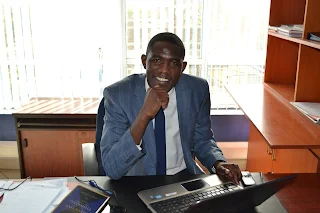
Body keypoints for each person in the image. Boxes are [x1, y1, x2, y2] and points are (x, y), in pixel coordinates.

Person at [100, 32, 242, 184]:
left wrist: (218, 163)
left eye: (173, 63)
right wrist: (144, 115)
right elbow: (112, 167)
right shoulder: (118, 95)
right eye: (157, 60)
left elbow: (202, 139)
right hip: (138, 183)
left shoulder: (197, 89)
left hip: (184, 177)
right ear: (144, 61)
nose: (165, 70)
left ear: (183, 67)